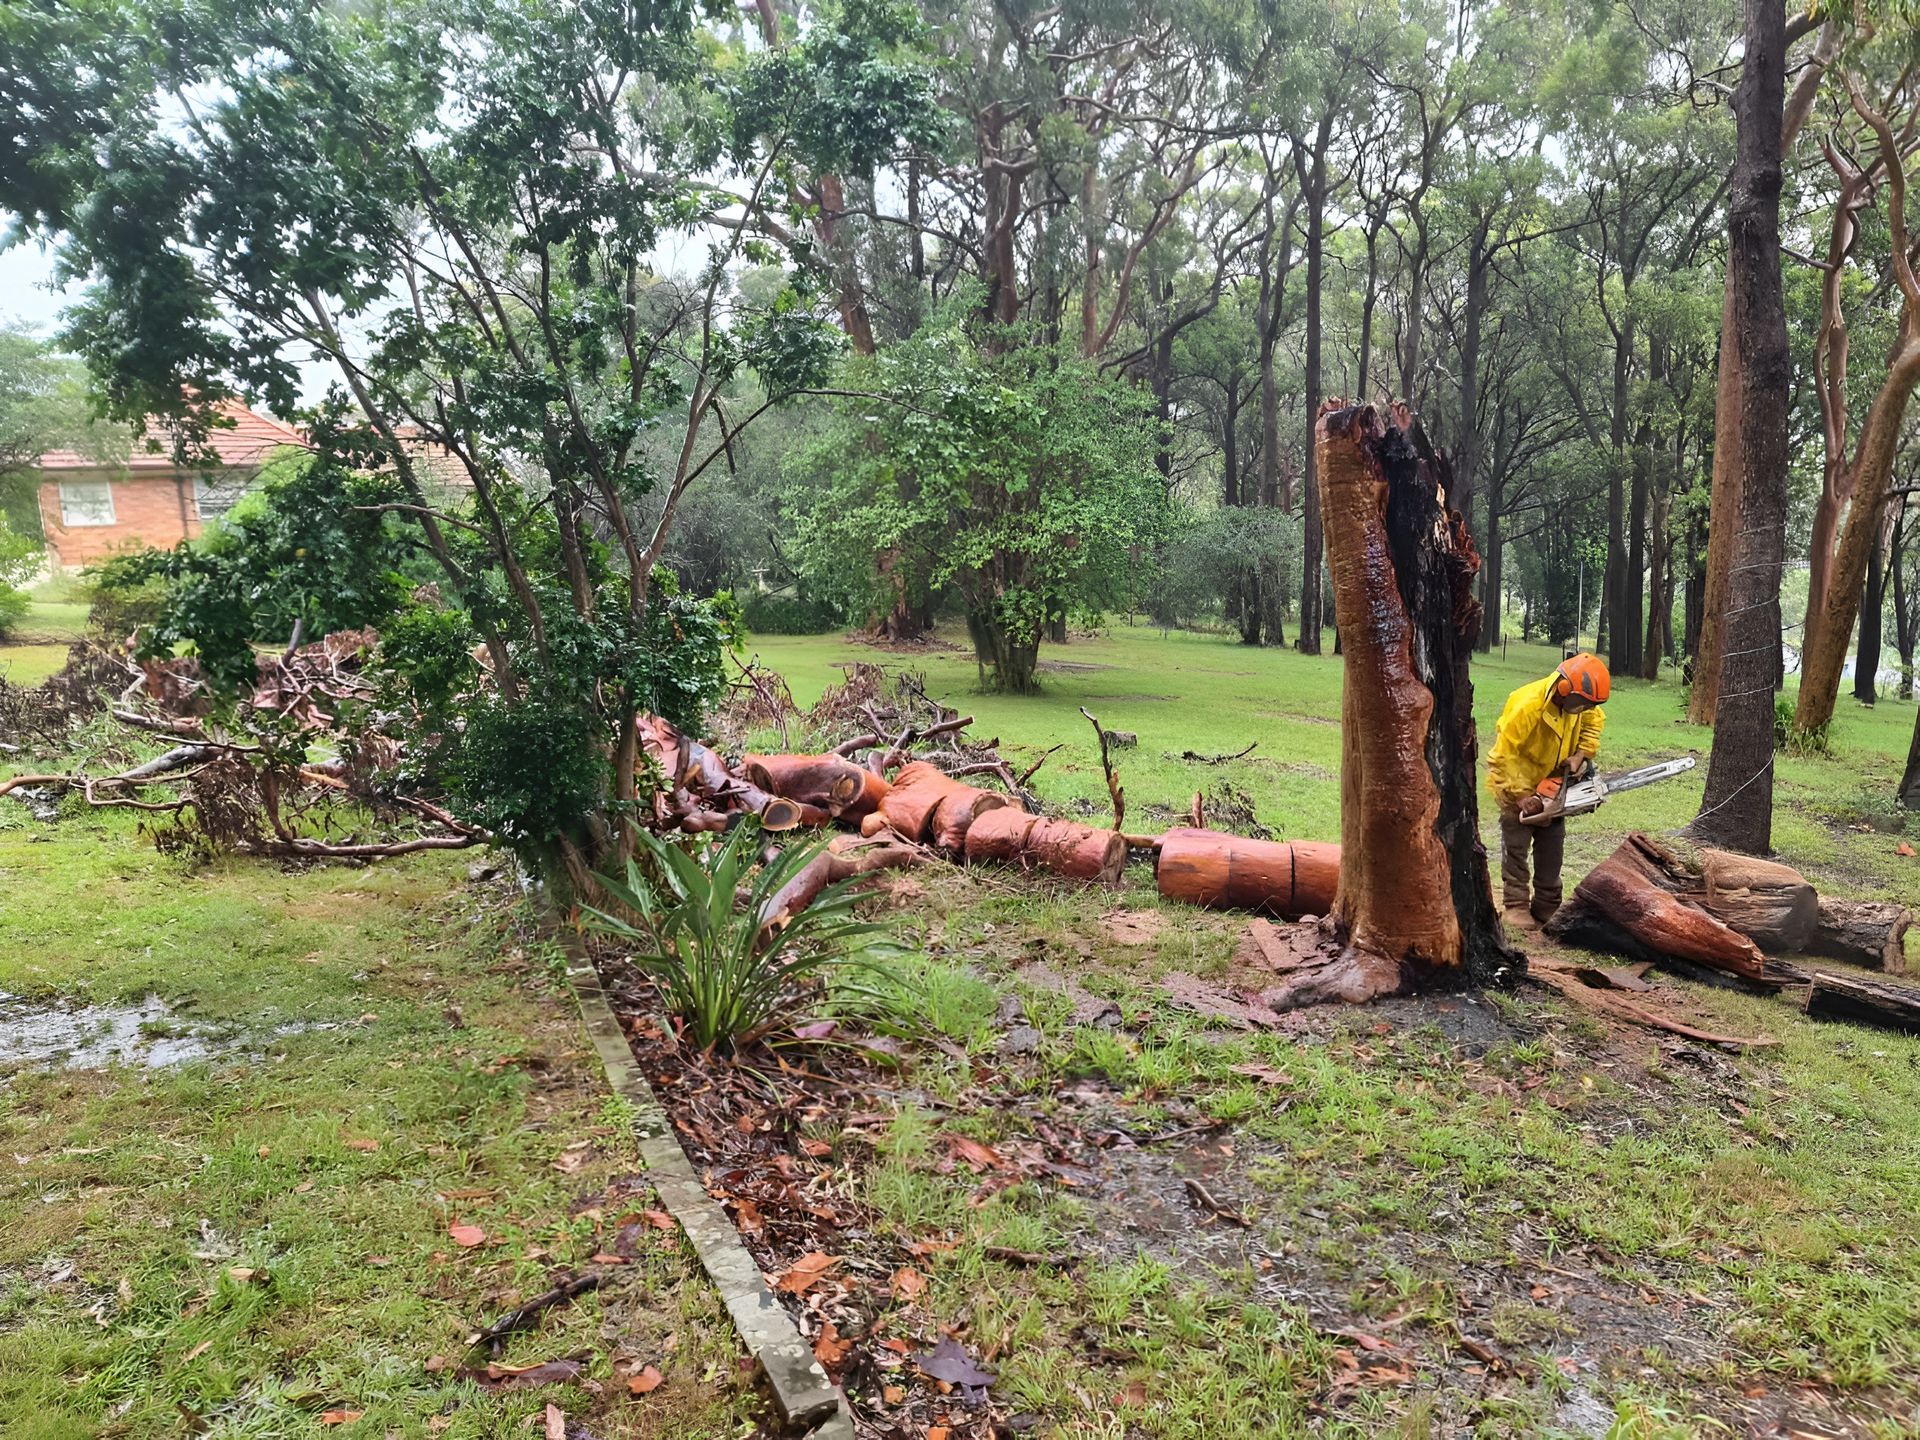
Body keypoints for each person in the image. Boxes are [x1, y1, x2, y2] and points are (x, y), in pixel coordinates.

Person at [1486, 652, 1609, 927]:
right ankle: (1516, 904)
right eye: (1582, 703)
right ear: (1563, 689)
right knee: (1516, 847)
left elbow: (1593, 721)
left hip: (1553, 786)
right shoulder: (1527, 705)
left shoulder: (1581, 705)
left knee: (1553, 846)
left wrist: (1581, 755)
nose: (1585, 709)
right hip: (1515, 784)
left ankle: (1547, 904)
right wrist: (1521, 797)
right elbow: (1502, 757)